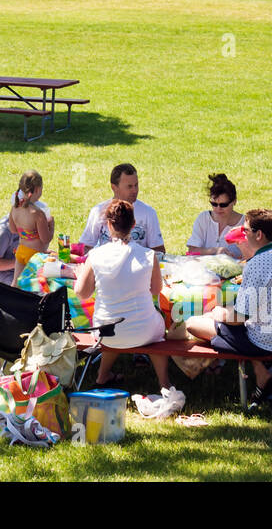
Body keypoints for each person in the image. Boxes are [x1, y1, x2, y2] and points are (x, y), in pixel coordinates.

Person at [185, 208, 272, 406]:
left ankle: (204, 370)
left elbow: (239, 317)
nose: (243, 234)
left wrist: (218, 313)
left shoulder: (258, 264)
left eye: (246, 231)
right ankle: (261, 375)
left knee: (193, 323)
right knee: (224, 317)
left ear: (259, 235)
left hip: (266, 340)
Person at [73, 198, 171, 389]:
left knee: (116, 321)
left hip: (105, 331)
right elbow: (156, 290)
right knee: (158, 325)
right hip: (144, 330)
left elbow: (82, 293)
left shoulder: (95, 256)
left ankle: (102, 376)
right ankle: (165, 383)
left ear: (108, 225)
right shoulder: (148, 255)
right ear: (133, 225)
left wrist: (80, 276)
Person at [79, 163, 166, 255]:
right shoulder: (98, 211)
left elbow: (159, 250)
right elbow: (86, 246)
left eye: (136, 185)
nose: (135, 190)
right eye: (129, 186)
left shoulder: (148, 213)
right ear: (114, 187)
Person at [186, 172, 245, 257]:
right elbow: (191, 252)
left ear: (234, 201)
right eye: (214, 204)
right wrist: (215, 250)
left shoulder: (245, 224)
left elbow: (251, 256)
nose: (218, 209)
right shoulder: (203, 219)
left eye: (223, 205)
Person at [9, 170, 54, 275]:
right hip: (34, 255)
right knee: (35, 286)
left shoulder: (15, 207)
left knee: (15, 284)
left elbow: (13, 229)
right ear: (38, 189)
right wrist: (51, 226)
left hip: (21, 251)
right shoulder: (38, 213)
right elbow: (46, 239)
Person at [0, 213, 20, 285]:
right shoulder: (4, 231)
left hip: (24, 270)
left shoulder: (28, 224)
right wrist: (21, 262)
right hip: (6, 276)